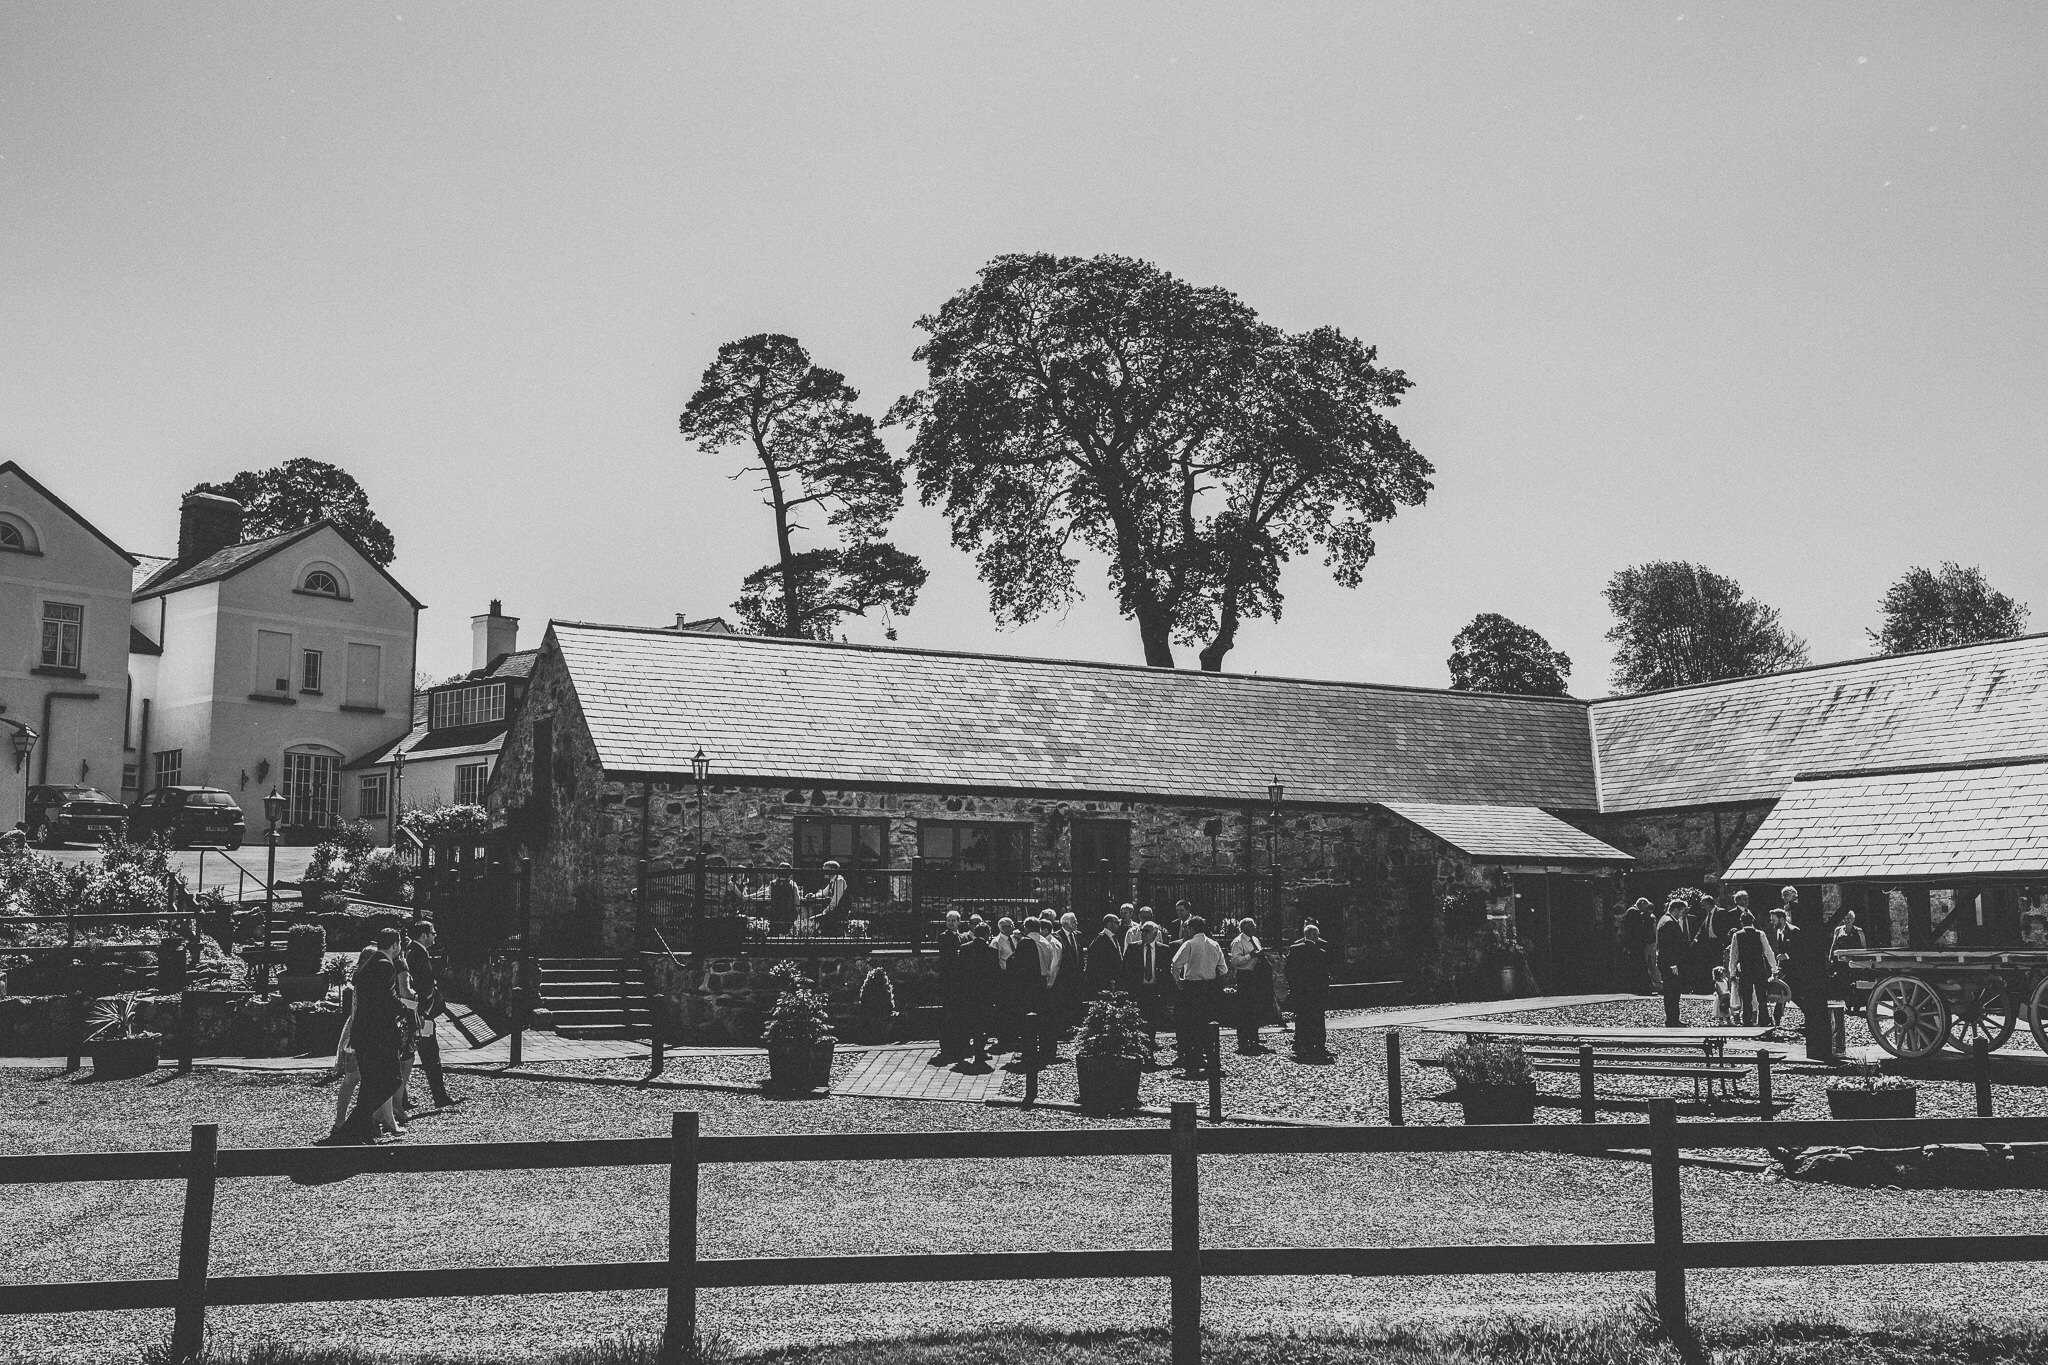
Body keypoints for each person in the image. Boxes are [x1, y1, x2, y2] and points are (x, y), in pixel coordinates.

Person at [323, 955, 409, 1145]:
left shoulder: (364, 980)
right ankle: (345, 1124)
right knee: (355, 1080)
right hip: (366, 1037)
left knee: (369, 1084)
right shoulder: (371, 982)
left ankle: (373, 1123)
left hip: (363, 1036)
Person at [403, 921, 461, 1110]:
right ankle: (439, 1096)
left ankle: (402, 1098)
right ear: (424, 935)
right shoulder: (417, 954)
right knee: (430, 1056)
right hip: (422, 1016)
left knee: (409, 1055)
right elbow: (424, 986)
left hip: (419, 1014)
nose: (435, 936)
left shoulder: (412, 951)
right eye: (433, 933)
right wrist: (425, 1011)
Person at [1170, 916, 1228, 1076]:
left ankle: (1192, 1062)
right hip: (1209, 988)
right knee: (1208, 1025)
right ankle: (1211, 1059)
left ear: (1192, 928)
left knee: (1189, 1025)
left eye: (1187, 928)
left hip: (1191, 988)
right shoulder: (1215, 944)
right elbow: (1223, 969)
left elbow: (1175, 965)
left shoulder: (1189, 944)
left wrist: (1179, 982)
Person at [1122, 921, 1171, 1053]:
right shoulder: (1133, 948)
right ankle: (1138, 1045)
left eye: (1146, 931)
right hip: (1139, 988)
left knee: (1153, 1018)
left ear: (1155, 934)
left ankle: (1150, 1042)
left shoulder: (1164, 949)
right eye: (1142, 931)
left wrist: (1166, 992)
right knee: (1138, 1018)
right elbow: (1125, 971)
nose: (1142, 933)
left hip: (1155, 989)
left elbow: (1167, 973)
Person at [1285, 923, 1332, 1060]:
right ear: (1315, 936)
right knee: (1318, 1018)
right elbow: (1324, 974)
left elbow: (1289, 971)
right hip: (1316, 992)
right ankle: (1319, 1045)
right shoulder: (1320, 952)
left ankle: (1302, 1045)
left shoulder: (1295, 949)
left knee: (1302, 1018)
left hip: (1301, 991)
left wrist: (1294, 987)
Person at [1725, 910, 1779, 1027]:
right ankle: (1763, 1019)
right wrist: (1774, 968)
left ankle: (1747, 1020)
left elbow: (1733, 956)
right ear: (1753, 921)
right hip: (1759, 968)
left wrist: (1732, 972)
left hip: (1745, 969)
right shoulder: (1760, 934)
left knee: (1746, 996)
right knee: (1761, 996)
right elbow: (1768, 952)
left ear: (1741, 922)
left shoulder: (1737, 935)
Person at [1226, 918, 1268, 1054]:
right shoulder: (1238, 942)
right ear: (1244, 928)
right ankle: (1243, 1040)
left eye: (1254, 925)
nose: (1254, 928)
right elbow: (1235, 961)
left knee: (1255, 1008)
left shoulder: (1255, 939)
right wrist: (1251, 956)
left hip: (1257, 977)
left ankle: (1254, 1038)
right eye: (1251, 926)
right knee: (1244, 1009)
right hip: (1245, 977)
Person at [1654, 899, 1690, 1028]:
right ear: (1676, 909)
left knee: (1673, 992)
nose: (1682, 914)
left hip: (1667, 962)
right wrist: (1673, 964)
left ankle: (1673, 1018)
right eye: (1681, 911)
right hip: (1670, 963)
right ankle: (1672, 1020)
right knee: (1672, 992)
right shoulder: (1669, 923)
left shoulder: (1665, 919)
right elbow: (1668, 946)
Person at [1617, 898, 1655, 994]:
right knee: (1640, 965)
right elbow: (1636, 930)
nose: (1645, 910)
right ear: (1641, 904)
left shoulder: (1631, 911)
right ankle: (1643, 988)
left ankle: (1639, 987)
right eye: (1645, 907)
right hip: (1635, 945)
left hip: (1633, 944)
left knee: (1637, 966)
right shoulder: (1634, 912)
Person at [1086, 914, 1124, 996]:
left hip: (1113, 980)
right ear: (1109, 924)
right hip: (1105, 982)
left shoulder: (1113, 937)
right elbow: (1097, 963)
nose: (1119, 925)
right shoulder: (1101, 939)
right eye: (1117, 922)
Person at [767, 864, 801, 932]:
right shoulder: (793, 884)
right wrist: (796, 913)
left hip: (775, 915)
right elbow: (797, 900)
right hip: (789, 915)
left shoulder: (772, 884)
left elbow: (769, 897)